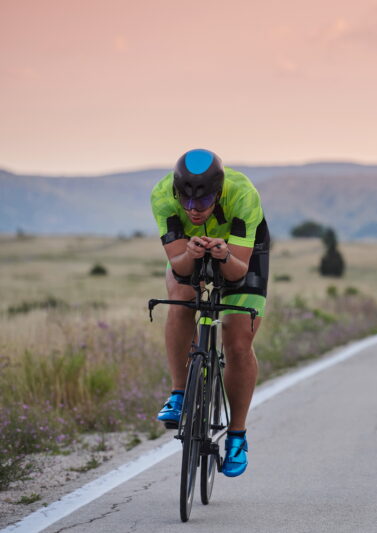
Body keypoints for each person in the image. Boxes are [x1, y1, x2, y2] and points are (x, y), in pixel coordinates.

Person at [150, 148, 269, 477]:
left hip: (242, 253)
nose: (192, 210)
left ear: (217, 194)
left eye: (201, 203)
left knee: (238, 338)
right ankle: (178, 392)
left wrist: (223, 254)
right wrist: (191, 255)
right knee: (180, 296)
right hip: (191, 248)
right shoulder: (162, 195)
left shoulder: (243, 195)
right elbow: (178, 266)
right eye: (186, 202)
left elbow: (237, 272)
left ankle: (237, 436)